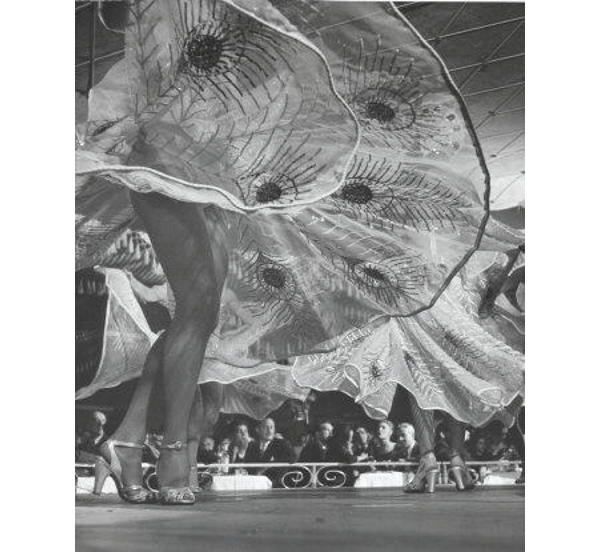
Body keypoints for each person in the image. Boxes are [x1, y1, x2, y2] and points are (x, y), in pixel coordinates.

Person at [79, 0, 494, 504]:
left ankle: (127, 439)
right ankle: (171, 452)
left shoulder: (225, 41)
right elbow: (119, 22)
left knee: (199, 317)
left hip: (218, 180)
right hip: (161, 165)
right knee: (196, 311)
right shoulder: (160, 36)